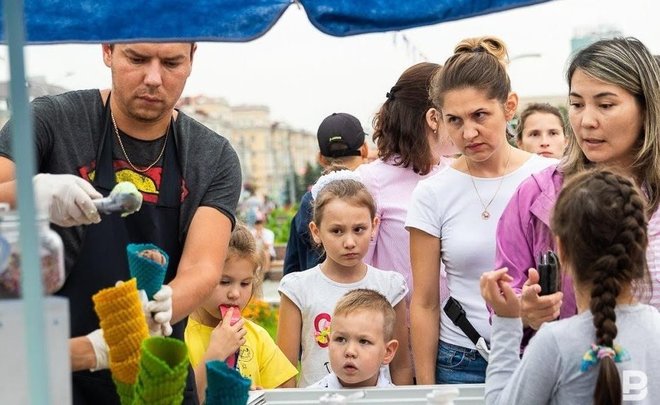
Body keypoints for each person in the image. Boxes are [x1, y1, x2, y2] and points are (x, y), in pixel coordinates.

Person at [0, 42, 242, 404]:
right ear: (108, 50)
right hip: (51, 371)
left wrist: (162, 306)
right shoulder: (50, 121)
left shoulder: (212, 156)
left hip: (155, 379)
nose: (154, 78)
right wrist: (32, 193)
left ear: (192, 57)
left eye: (171, 62)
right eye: (137, 58)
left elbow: (203, 267)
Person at [406, 36, 556, 384]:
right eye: (454, 120)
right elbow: (425, 302)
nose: (468, 132)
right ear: (438, 120)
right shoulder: (432, 193)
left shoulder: (549, 177)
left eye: (479, 115)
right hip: (462, 360)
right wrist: (427, 391)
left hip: (542, 352)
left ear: (509, 106)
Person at [494, 37, 660, 344]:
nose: (587, 121)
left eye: (605, 105)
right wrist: (523, 311)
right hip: (573, 368)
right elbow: (504, 296)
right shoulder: (536, 194)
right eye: (577, 104)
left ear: (647, 106)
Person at [482, 169, 660, 404]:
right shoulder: (655, 331)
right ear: (643, 245)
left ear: (562, 250)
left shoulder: (554, 344)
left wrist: (507, 321)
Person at [277, 170, 413, 387]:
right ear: (316, 231)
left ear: (374, 226)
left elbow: (401, 366)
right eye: (337, 231)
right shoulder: (298, 289)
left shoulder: (390, 286)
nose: (349, 242)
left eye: (359, 229)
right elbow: (284, 370)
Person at [355, 62, 455, 307]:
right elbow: (356, 271)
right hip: (398, 322)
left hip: (458, 326)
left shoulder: (458, 173)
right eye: (454, 116)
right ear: (434, 118)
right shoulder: (370, 180)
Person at [185, 224, 297, 403]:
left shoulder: (257, 337)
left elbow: (287, 392)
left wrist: (259, 396)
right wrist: (215, 353)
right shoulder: (179, 335)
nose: (235, 294)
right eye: (224, 281)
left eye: (245, 283)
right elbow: (180, 399)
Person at [282, 112, 368, 276]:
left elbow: (292, 268)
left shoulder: (310, 201)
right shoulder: (372, 193)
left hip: (316, 290)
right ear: (364, 150)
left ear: (321, 158)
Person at [308, 288, 399, 389]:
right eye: (340, 339)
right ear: (329, 344)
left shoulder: (397, 397)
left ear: (388, 352)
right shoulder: (310, 396)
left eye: (364, 341)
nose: (350, 351)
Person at [251, 211, 276, 279]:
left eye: (260, 223)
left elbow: (267, 246)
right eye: (257, 223)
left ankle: (265, 274)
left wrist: (261, 237)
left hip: (268, 253)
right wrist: (256, 237)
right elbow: (250, 246)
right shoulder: (252, 232)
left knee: (265, 253)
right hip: (255, 252)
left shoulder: (269, 233)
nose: (258, 225)